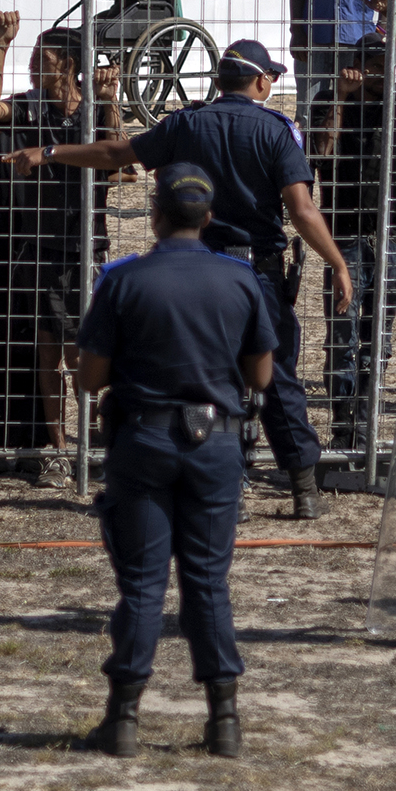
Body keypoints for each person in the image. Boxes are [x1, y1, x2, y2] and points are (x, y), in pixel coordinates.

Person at [4, 39, 353, 520]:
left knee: (207, 377)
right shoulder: (275, 130)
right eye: (271, 76)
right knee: (275, 376)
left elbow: (116, 153)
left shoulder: (186, 123)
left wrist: (51, 151)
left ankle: (225, 482)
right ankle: (302, 487)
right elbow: (302, 209)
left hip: (198, 269)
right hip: (257, 273)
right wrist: (336, 262)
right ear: (260, 81)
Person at [77, 164, 275, 759]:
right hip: (215, 442)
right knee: (207, 582)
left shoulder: (122, 280)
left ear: (156, 215)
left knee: (142, 584)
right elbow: (261, 375)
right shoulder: (240, 279)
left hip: (144, 438)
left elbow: (90, 378)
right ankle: (224, 720)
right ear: (208, 217)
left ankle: (124, 718)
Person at [0, 19, 124, 487]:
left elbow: (119, 156)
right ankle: (57, 448)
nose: (34, 65)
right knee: (47, 353)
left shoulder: (91, 109)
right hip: (37, 247)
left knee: (84, 353)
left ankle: (91, 438)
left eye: (44, 58)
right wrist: (0, 46)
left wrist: (110, 99)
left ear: (69, 65)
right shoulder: (28, 106)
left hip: (85, 246)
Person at [308, 0, 396, 450]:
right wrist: (341, 96)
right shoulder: (328, 99)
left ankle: (367, 420)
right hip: (343, 235)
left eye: (385, 66)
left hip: (390, 233)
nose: (379, 74)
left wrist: (393, 14)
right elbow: (321, 152)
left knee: (380, 337)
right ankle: (344, 428)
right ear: (353, 66)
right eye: (371, 66)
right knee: (343, 335)